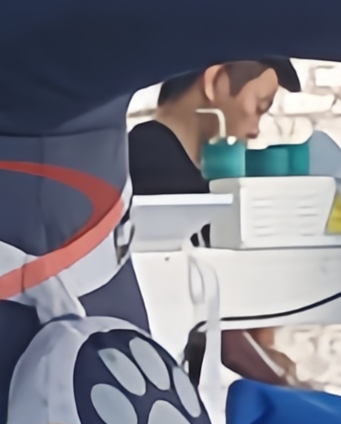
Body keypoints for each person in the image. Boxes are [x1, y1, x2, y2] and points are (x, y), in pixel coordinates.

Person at [127, 59, 309, 386]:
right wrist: (289, 385)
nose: (255, 129)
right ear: (216, 81)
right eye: (259, 107)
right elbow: (220, 331)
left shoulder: (161, 158)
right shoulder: (156, 168)